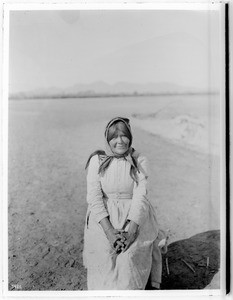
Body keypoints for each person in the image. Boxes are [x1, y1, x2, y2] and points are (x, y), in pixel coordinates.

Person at [83, 117, 166, 290]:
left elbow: (140, 197)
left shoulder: (139, 160)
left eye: (124, 136)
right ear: (107, 139)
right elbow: (94, 198)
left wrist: (130, 232)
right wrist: (110, 233)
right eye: (114, 137)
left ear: (130, 137)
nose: (120, 141)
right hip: (104, 220)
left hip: (135, 219)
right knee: (105, 258)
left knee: (128, 260)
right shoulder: (97, 161)